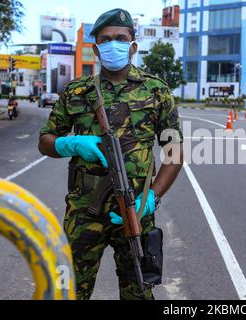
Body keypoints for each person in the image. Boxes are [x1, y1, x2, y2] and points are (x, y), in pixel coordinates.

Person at [38, 8, 183, 300]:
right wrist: (70, 144)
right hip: (82, 214)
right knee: (68, 292)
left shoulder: (157, 92)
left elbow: (174, 152)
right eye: (105, 39)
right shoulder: (76, 92)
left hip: (134, 213)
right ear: (96, 48)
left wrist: (150, 198)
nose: (112, 44)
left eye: (120, 38)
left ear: (132, 46)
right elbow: (45, 140)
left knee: (138, 293)